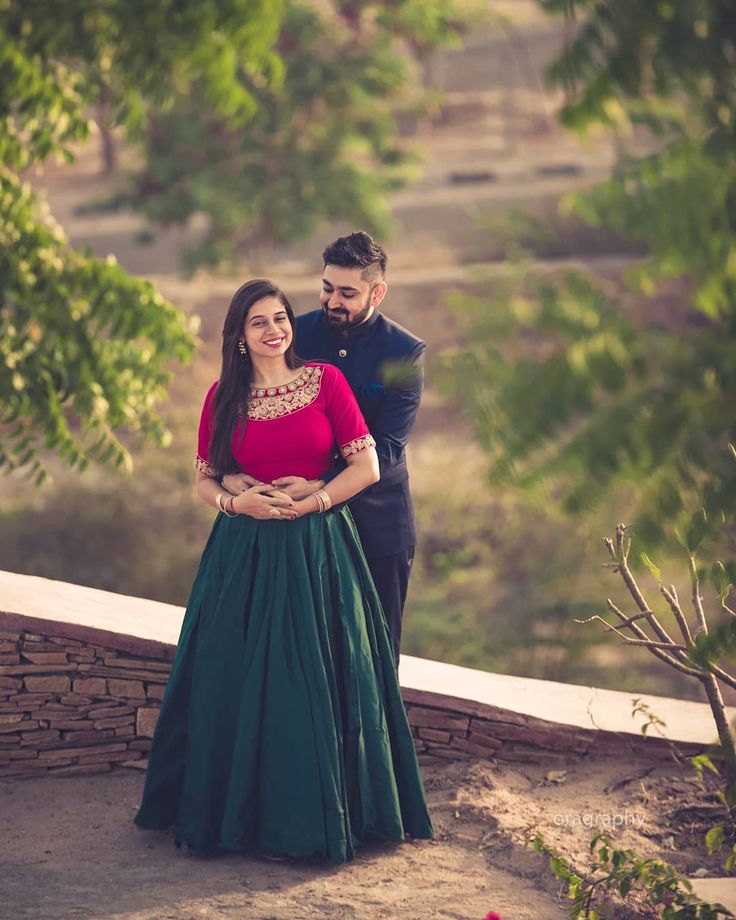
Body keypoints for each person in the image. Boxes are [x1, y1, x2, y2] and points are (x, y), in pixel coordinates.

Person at [133, 279, 432, 865]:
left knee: (316, 682)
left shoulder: (326, 381)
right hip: (242, 557)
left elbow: (367, 465)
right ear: (239, 337)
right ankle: (233, 817)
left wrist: (316, 497)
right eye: (259, 323)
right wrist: (232, 500)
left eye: (280, 319)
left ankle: (322, 818)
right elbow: (204, 478)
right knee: (232, 680)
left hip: (319, 552)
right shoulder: (222, 397)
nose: (275, 330)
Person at [295, 232, 424, 664]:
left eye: (348, 293)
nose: (333, 301)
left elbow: (387, 450)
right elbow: (241, 354)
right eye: (327, 288)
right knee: (311, 651)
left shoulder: (404, 354)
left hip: (378, 521)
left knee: (377, 654)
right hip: (301, 523)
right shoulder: (297, 333)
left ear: (377, 292)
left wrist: (317, 487)